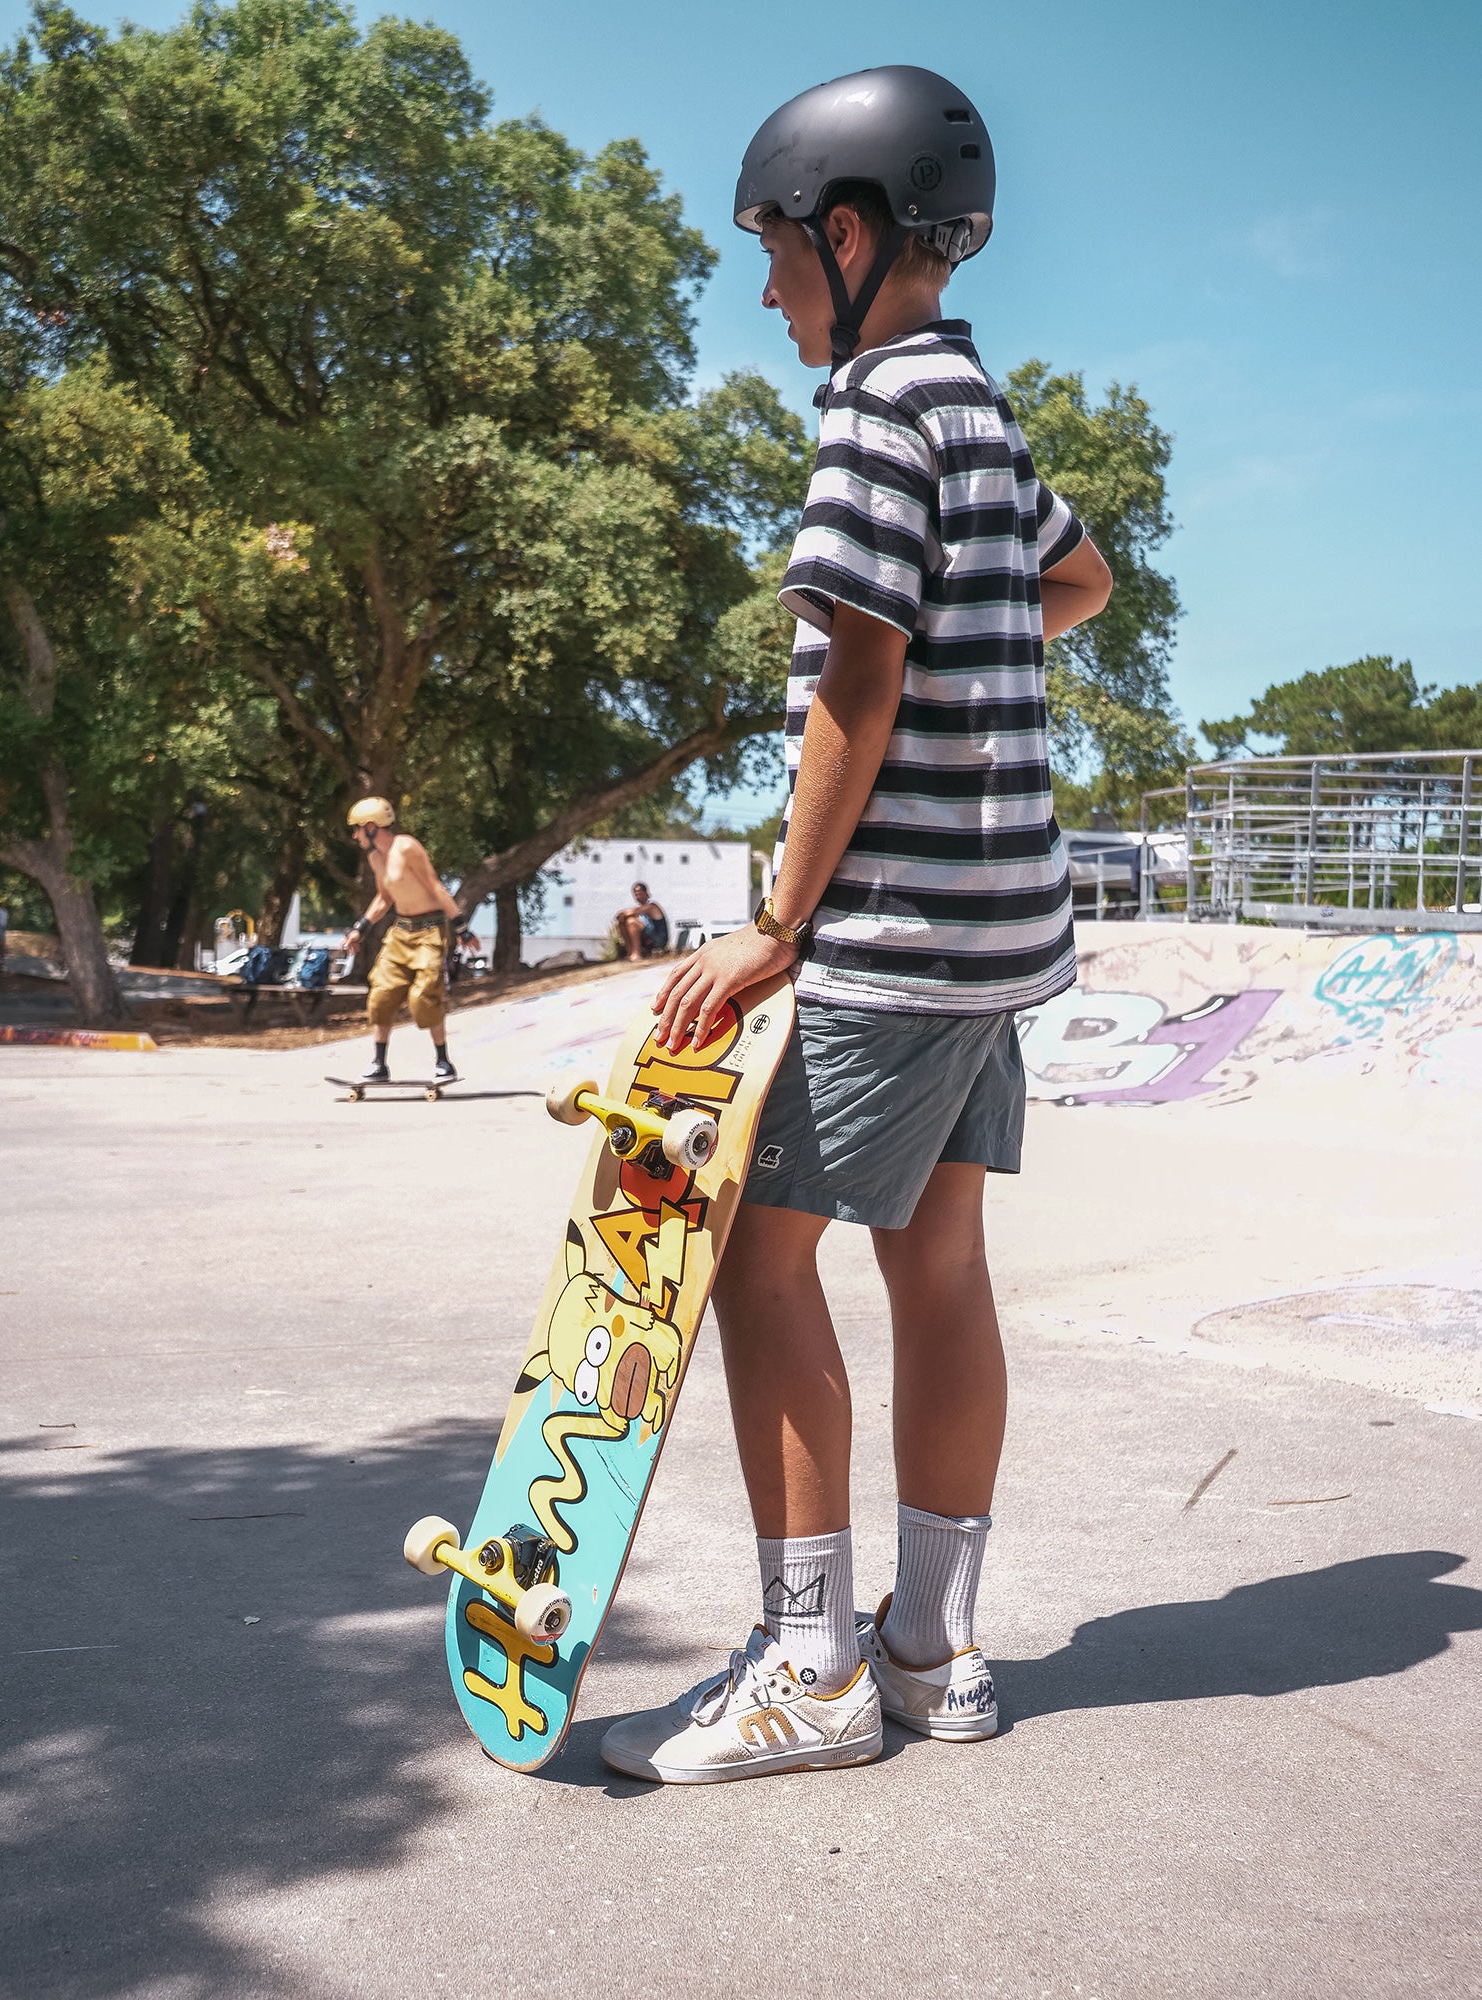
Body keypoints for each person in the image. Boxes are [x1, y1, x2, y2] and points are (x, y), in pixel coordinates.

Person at [599, 67, 1113, 1784]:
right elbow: (1082, 581)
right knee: (941, 1266)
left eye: (770, 251)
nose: (762, 294)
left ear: (849, 231)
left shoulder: (873, 413)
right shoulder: (980, 408)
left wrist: (774, 924)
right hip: (1002, 932)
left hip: (894, 930)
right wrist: (992, 637)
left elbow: (859, 684)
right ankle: (930, 1647)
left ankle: (813, 1664)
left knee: (755, 1260)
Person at [340, 798, 475, 1085]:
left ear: (373, 827)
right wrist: (359, 929)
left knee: (424, 995)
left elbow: (434, 886)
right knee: (381, 993)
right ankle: (379, 1063)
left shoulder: (407, 847)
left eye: (357, 829)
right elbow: (384, 898)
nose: (355, 836)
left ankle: (443, 1061)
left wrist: (461, 927)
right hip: (400, 931)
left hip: (430, 931)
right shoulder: (375, 858)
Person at [615, 882, 669, 960]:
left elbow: (628, 913)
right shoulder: (639, 908)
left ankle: (636, 954)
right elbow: (621, 916)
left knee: (631, 922)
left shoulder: (652, 906)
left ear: (646, 892)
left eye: (639, 894)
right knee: (623, 923)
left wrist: (623, 915)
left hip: (657, 940)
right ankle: (630, 952)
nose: (637, 897)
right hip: (647, 937)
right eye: (635, 895)